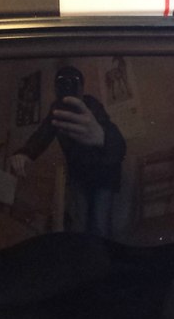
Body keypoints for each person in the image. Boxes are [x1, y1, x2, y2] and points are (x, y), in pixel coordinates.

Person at [10, 66, 126, 236]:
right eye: (62, 83)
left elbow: (117, 142)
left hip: (104, 175)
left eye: (72, 82)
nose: (67, 86)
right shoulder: (57, 110)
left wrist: (102, 136)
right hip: (79, 175)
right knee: (80, 224)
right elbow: (42, 134)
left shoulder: (91, 105)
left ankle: (99, 252)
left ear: (81, 87)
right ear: (56, 87)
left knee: (100, 225)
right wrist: (25, 152)